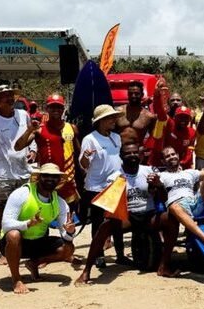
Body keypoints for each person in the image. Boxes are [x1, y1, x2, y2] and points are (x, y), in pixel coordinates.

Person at [75, 143, 179, 284]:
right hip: (128, 217)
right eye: (128, 153)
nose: (132, 156)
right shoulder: (115, 176)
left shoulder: (149, 171)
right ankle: (87, 270)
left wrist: (158, 185)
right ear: (121, 156)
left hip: (149, 215)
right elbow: (111, 206)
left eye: (135, 152)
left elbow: (164, 198)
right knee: (104, 227)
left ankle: (164, 265)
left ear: (140, 155)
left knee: (171, 218)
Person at [0, 164, 76, 294]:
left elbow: (66, 235)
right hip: (13, 243)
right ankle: (16, 279)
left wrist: (70, 231)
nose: (50, 179)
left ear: (59, 180)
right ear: (39, 177)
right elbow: (6, 224)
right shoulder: (22, 193)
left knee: (68, 248)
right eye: (46, 175)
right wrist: (28, 224)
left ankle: (34, 263)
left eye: (54, 177)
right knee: (13, 235)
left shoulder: (61, 203)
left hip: (38, 242)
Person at [0, 85, 33, 263]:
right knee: (3, 211)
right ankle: (5, 249)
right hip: (2, 172)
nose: (9, 99)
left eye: (11, 95)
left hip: (24, 170)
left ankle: (24, 246)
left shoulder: (23, 115)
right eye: (5, 96)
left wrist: (33, 150)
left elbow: (31, 134)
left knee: (25, 209)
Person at [15, 94, 81, 208]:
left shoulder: (72, 128)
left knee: (67, 214)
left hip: (67, 180)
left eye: (59, 107)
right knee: (45, 213)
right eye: (52, 107)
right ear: (47, 109)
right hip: (47, 180)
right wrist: (29, 130)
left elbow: (78, 154)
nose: (56, 110)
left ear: (63, 109)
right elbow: (18, 147)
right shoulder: (39, 129)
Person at [80, 104, 123, 267]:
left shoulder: (116, 137)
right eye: (110, 118)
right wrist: (85, 157)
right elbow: (84, 165)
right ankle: (98, 255)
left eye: (114, 117)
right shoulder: (90, 139)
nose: (113, 120)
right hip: (96, 187)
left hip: (115, 185)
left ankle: (120, 254)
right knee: (98, 223)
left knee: (117, 222)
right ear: (101, 121)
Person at [158, 146, 204, 250]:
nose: (171, 157)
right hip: (180, 206)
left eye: (173, 154)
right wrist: (155, 182)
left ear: (178, 156)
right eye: (167, 156)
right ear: (163, 161)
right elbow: (154, 186)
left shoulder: (188, 172)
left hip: (195, 202)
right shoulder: (161, 175)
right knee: (173, 207)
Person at [115, 80, 160, 146]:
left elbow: (154, 137)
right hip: (118, 149)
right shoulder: (118, 112)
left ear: (142, 95)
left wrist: (145, 147)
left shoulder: (149, 116)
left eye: (136, 94)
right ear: (127, 94)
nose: (133, 96)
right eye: (130, 93)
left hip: (138, 150)